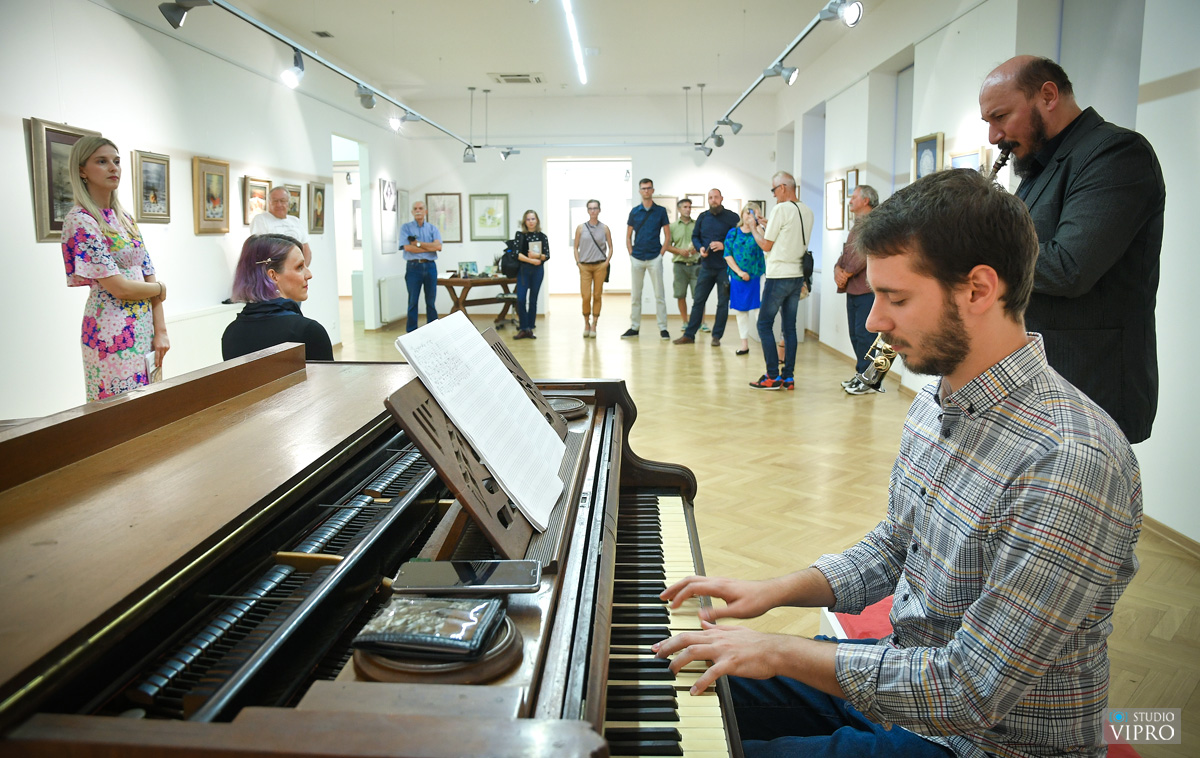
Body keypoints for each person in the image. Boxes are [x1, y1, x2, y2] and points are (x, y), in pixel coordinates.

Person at [654, 169, 1142, 758]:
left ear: (979, 289)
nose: (874, 321)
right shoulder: (935, 400)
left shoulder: (1069, 461)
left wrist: (779, 649)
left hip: (985, 743)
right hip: (904, 680)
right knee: (666, 684)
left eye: (897, 298)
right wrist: (774, 591)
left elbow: (971, 691)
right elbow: (895, 547)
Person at [979, 55, 1165, 444]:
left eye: (1001, 117)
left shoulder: (1116, 153)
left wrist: (972, 253)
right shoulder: (1039, 166)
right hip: (1043, 384)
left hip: (1090, 384)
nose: (994, 136)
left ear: (1048, 95)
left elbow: (1069, 267)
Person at [61, 137, 168, 402]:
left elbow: (147, 269)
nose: (113, 168)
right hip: (110, 331)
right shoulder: (80, 220)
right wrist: (160, 288)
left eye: (116, 161)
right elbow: (120, 288)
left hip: (143, 325)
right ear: (82, 171)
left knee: (149, 402)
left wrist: (161, 330)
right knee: (117, 407)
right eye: (102, 161)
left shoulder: (125, 218)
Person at [747, 172, 813, 391]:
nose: (774, 195)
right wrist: (769, 225)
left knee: (764, 324)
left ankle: (772, 376)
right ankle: (788, 377)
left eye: (774, 190)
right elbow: (787, 238)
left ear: (783, 187)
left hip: (779, 276)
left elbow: (766, 245)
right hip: (797, 276)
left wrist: (754, 228)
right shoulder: (807, 211)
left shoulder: (781, 209)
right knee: (789, 328)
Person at [222, 234, 333, 361]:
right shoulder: (308, 331)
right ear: (273, 276)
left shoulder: (231, 333)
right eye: (299, 267)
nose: (309, 274)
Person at [673, 188, 740, 347]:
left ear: (721, 198)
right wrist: (700, 248)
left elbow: (739, 239)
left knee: (722, 303)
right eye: (710, 198)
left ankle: (716, 336)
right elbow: (695, 237)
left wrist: (724, 245)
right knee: (698, 301)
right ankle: (689, 335)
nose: (713, 200)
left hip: (725, 267)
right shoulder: (703, 217)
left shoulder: (732, 217)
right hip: (706, 266)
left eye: (716, 197)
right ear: (708, 200)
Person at [834, 185, 881, 395]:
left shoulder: (874, 224)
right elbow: (846, 252)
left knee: (865, 336)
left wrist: (847, 272)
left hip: (866, 290)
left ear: (866, 200)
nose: (850, 201)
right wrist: (837, 269)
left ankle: (869, 381)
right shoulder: (857, 225)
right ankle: (861, 373)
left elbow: (865, 254)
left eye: (854, 197)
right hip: (853, 289)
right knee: (855, 334)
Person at [622, 178, 671, 340]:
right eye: (643, 188)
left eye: (649, 188)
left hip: (654, 257)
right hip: (637, 257)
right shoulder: (634, 212)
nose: (646, 191)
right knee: (636, 295)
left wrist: (661, 254)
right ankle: (634, 327)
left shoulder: (661, 211)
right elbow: (628, 236)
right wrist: (631, 254)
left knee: (659, 295)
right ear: (639, 191)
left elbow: (667, 235)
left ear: (653, 190)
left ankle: (663, 328)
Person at [722, 207, 765, 356]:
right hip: (738, 277)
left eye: (754, 213)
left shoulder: (759, 231)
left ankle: (765, 343)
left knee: (760, 310)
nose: (750, 216)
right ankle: (744, 344)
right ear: (742, 214)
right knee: (741, 311)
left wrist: (757, 226)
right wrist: (739, 272)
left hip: (757, 275)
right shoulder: (733, 232)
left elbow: (766, 245)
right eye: (748, 212)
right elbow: (727, 254)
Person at [400, 199, 443, 332]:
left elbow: (438, 247)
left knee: (431, 301)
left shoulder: (432, 228)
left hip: (430, 267)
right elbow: (408, 248)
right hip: (413, 268)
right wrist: (430, 247)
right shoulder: (406, 228)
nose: (418, 211)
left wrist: (417, 244)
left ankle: (434, 330)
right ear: (412, 212)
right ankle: (412, 331)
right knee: (413, 302)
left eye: (420, 208)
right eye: (415, 208)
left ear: (426, 211)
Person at [574, 199, 613, 339]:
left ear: (599, 210)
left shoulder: (604, 228)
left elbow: (611, 247)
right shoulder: (580, 228)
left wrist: (607, 262)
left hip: (600, 266)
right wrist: (578, 262)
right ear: (587, 210)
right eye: (590, 208)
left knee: (597, 295)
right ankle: (586, 323)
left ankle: (594, 324)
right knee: (585, 296)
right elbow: (575, 247)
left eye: (595, 208)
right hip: (584, 266)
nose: (593, 211)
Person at [665, 198, 702, 334]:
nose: (688, 209)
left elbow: (703, 242)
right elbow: (667, 245)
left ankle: (701, 323)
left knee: (699, 296)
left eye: (689, 207)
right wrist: (679, 251)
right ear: (679, 209)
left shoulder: (697, 225)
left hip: (696, 265)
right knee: (680, 294)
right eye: (685, 207)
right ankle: (685, 322)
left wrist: (696, 249)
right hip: (679, 265)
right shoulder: (672, 227)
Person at [249, 186, 313, 265]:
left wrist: (302, 269)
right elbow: (261, 250)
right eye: (275, 201)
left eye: (282, 201)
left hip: (297, 268)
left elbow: (306, 249)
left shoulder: (295, 221)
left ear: (288, 203)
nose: (279, 204)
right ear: (269, 202)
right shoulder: (261, 219)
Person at [513, 210, 550, 340]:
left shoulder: (542, 236)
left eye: (533, 219)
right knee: (521, 299)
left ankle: (529, 328)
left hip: (537, 271)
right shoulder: (520, 235)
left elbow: (547, 256)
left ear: (537, 220)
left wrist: (537, 256)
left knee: (533, 300)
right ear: (525, 221)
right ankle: (523, 328)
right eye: (528, 219)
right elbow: (516, 254)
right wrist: (531, 260)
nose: (531, 222)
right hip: (523, 270)